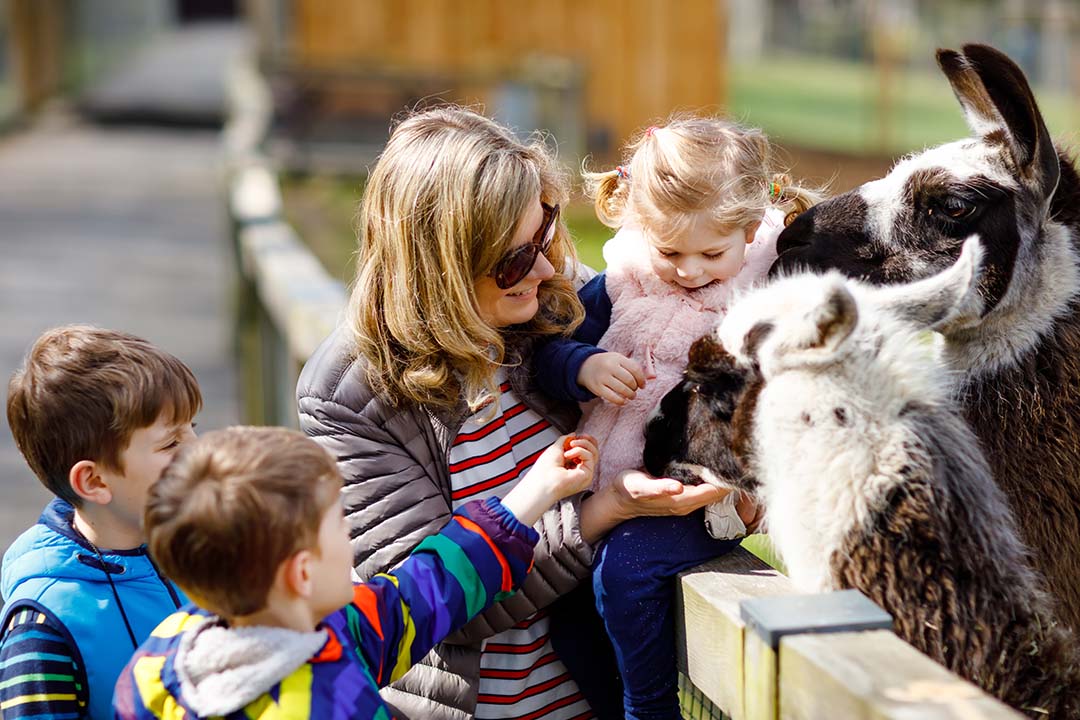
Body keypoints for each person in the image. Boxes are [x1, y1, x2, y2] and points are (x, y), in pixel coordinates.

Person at [296, 106, 732, 720]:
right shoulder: (350, 397)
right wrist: (603, 511)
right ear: (441, 263)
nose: (550, 268)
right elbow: (435, 603)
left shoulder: (561, 308)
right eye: (515, 258)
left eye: (544, 237)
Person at [533, 117, 823, 720]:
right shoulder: (621, 287)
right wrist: (583, 366)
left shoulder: (765, 300)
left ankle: (651, 707)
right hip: (609, 484)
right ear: (643, 227)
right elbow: (547, 354)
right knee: (564, 610)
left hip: (701, 498)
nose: (690, 270)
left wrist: (745, 485)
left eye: (712, 253)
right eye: (671, 251)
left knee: (627, 572)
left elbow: (800, 407)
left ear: (749, 230)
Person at [112, 425, 597, 719]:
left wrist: (533, 494)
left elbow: (419, 594)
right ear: (302, 574)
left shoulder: (160, 660)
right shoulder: (326, 699)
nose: (349, 538)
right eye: (336, 526)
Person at [0, 325, 200, 720]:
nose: (199, 449)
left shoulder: (212, 551)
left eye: (194, 429)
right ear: (94, 481)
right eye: (171, 443)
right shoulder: (44, 631)